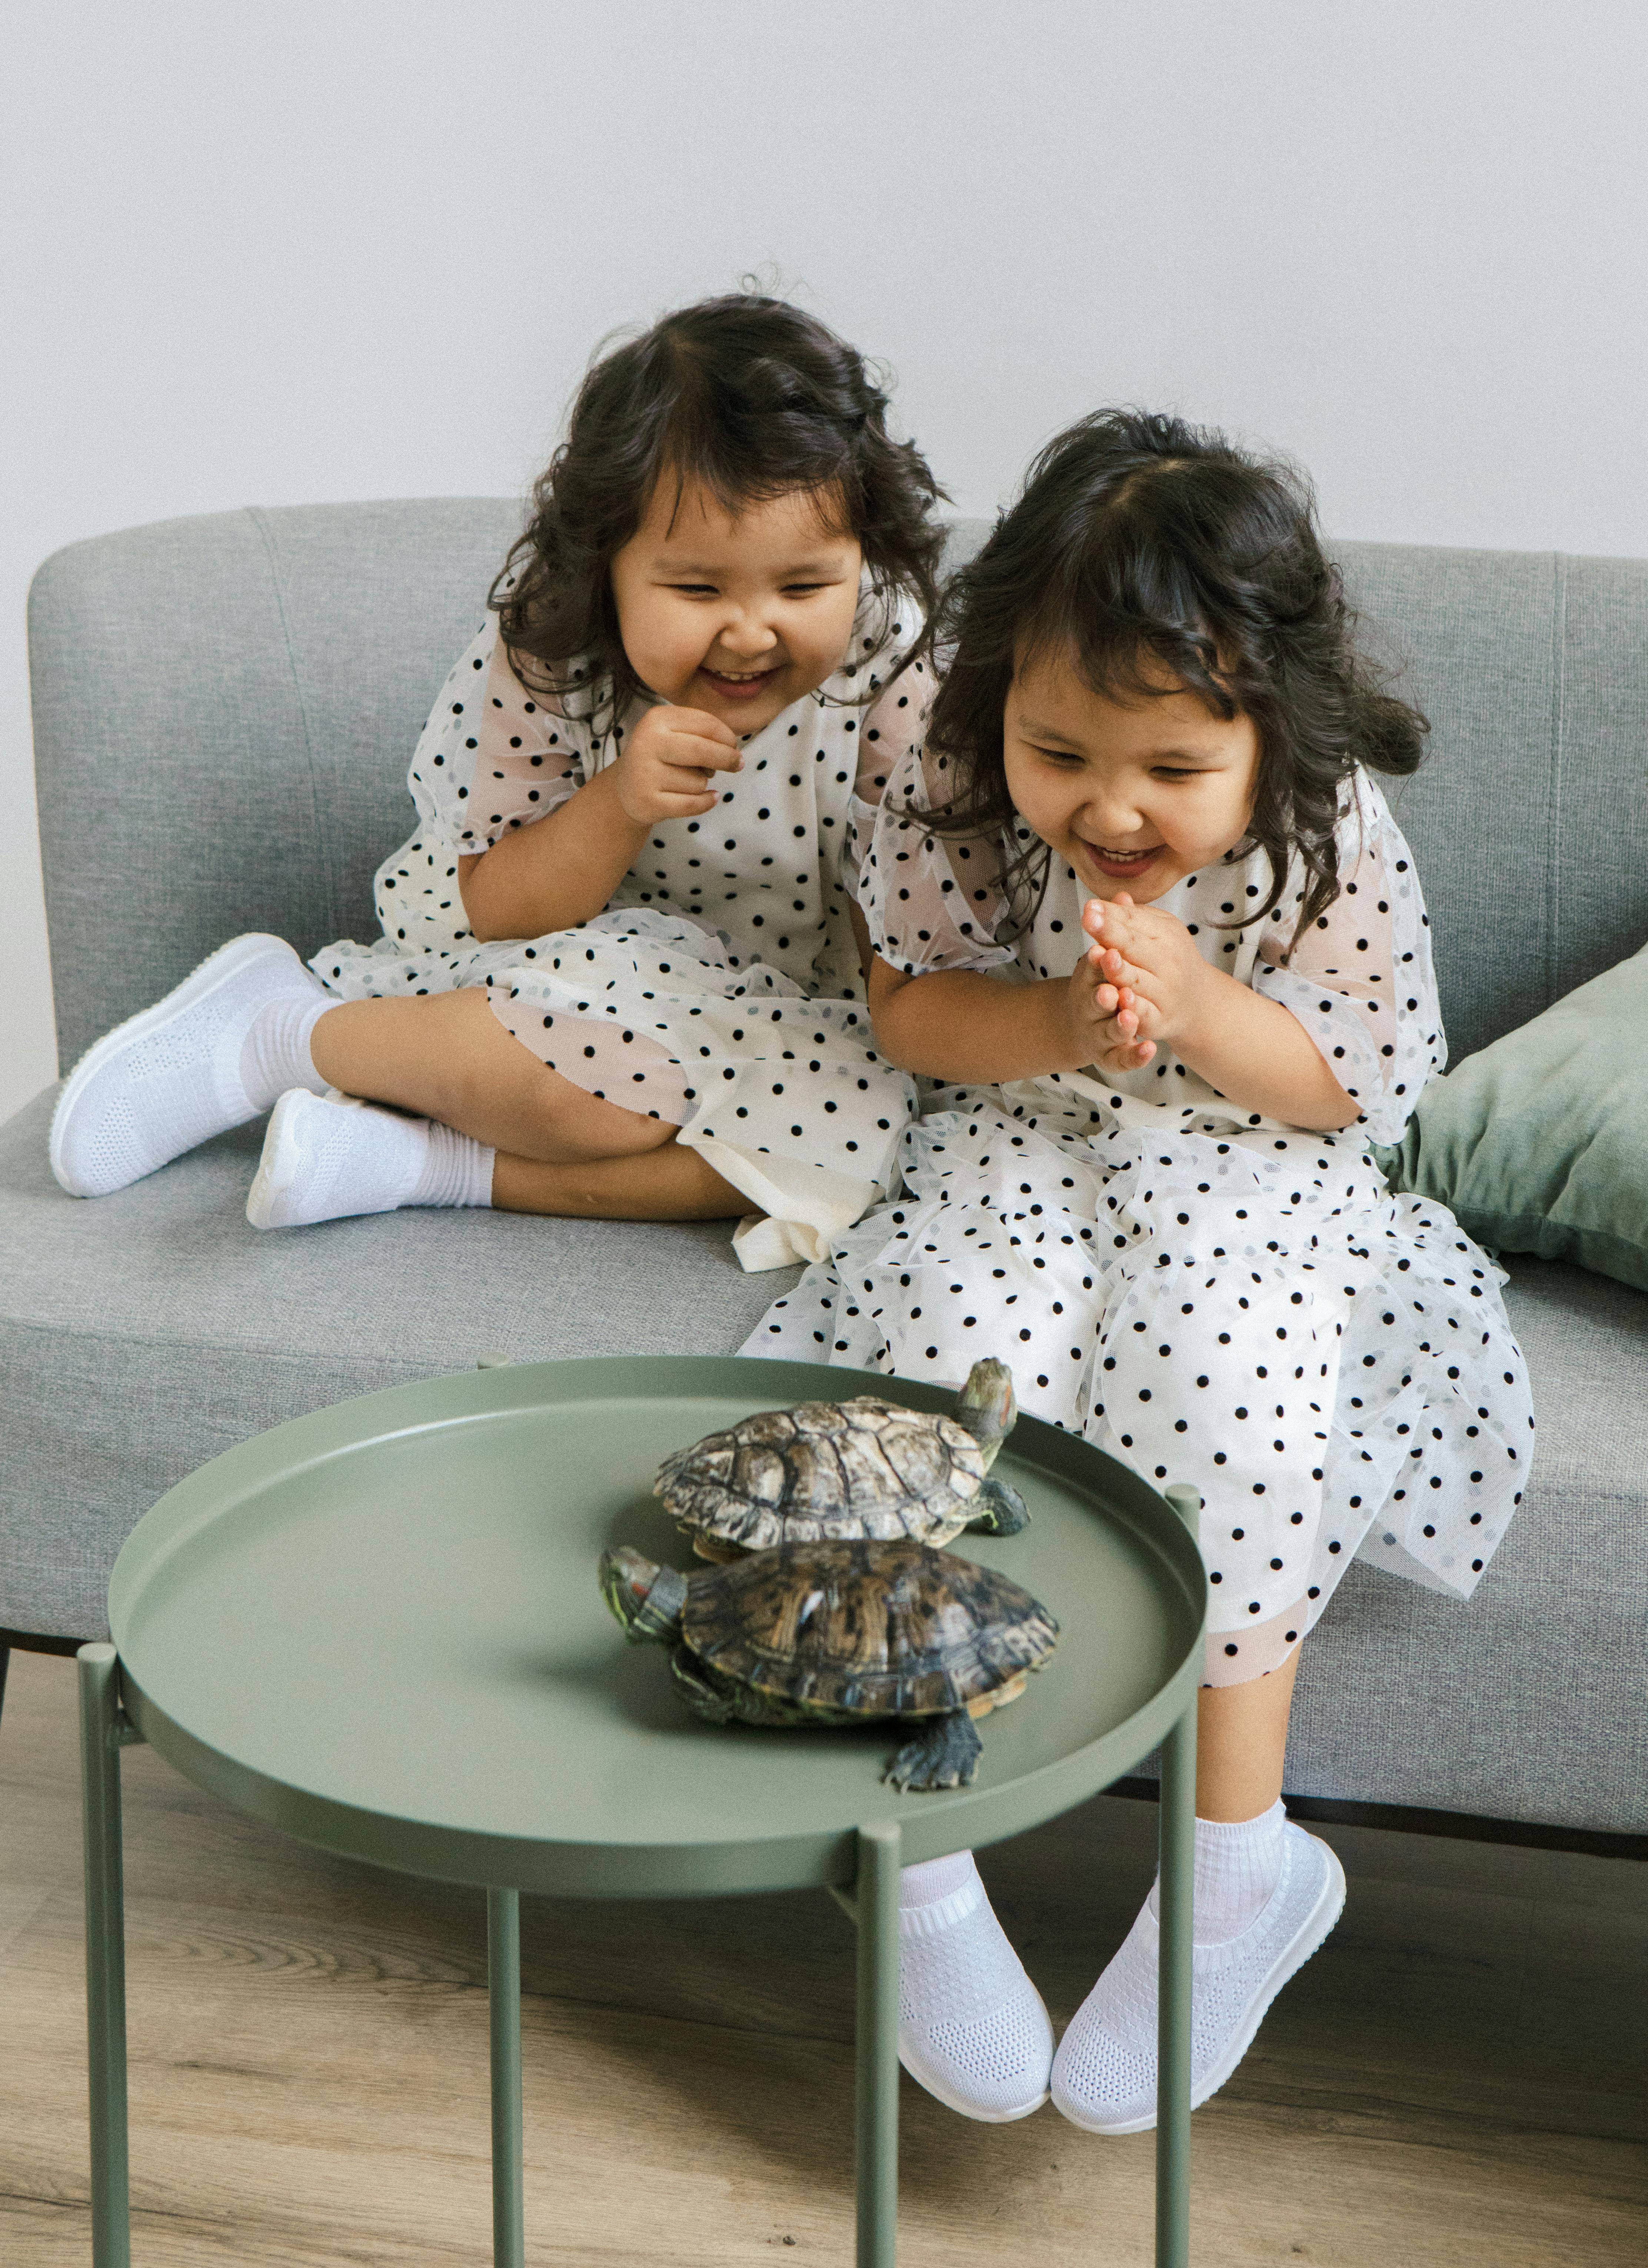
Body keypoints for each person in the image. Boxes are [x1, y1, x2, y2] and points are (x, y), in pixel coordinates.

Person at [744, 409, 1535, 2129]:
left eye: (1172, 774)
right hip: (1024, 1131)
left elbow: (1361, 1082)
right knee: (948, 1358)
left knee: (1231, 1398)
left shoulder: (1330, 841)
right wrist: (1056, 1025)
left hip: (1259, 1157)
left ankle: (1240, 1863)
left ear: (1275, 734)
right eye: (1061, 753)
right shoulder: (949, 776)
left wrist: (1198, 1011)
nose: (1108, 810)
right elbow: (911, 1009)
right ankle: (918, 1843)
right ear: (1001, 701)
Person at [50, 293, 943, 1262]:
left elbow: (893, 926)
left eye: (803, 587)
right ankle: (284, 1033)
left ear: (865, 560)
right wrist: (621, 802)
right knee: (616, 1080)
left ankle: (411, 1163)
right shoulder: (553, 654)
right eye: (696, 588)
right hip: (567, 964)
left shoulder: (884, 666)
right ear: (608, 564)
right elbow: (501, 905)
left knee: (869, 1139)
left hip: (774, 1003)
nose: (750, 629)